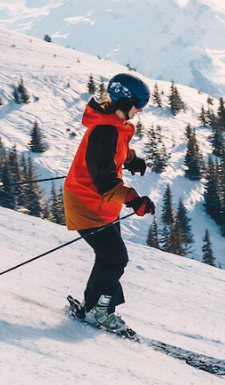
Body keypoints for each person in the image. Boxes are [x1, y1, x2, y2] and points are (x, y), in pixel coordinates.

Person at [67, 73, 157, 331]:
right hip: (86, 202)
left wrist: (130, 160)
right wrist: (134, 199)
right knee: (115, 258)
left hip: (100, 203)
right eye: (139, 104)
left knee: (109, 257)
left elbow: (113, 151)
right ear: (124, 100)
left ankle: (91, 307)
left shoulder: (114, 123)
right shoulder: (105, 130)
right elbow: (105, 181)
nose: (140, 110)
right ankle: (99, 312)